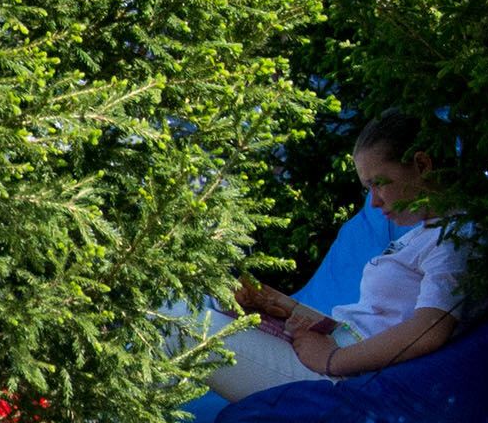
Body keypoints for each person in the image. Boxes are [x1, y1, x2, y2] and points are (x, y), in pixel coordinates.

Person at [185, 111, 472, 403]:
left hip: (336, 378)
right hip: (331, 350)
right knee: (197, 301)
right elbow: (373, 322)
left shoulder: (457, 238)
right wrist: (286, 306)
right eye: (367, 188)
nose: (374, 201)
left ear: (422, 165)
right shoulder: (423, 233)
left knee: (176, 320)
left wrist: (332, 359)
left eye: (380, 183)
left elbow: (431, 328)